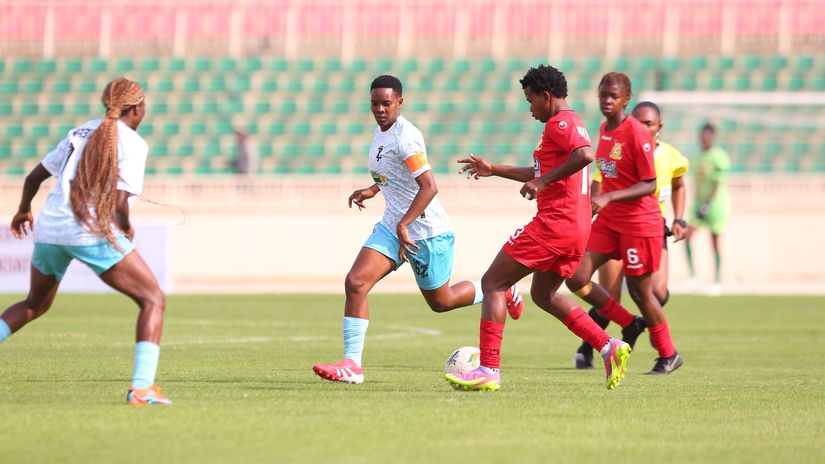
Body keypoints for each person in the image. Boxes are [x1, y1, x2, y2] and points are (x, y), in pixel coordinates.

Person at [312, 75, 523, 384]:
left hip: (425, 231)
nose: (380, 109)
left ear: (400, 102)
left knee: (442, 302)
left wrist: (405, 223)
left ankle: (501, 290)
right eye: (375, 103)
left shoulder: (406, 137)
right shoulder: (380, 133)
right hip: (394, 226)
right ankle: (352, 365)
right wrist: (374, 189)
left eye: (387, 103)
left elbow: (429, 187)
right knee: (356, 282)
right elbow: (396, 175)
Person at [445, 65, 631, 392]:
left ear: (546, 97)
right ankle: (607, 346)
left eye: (531, 101)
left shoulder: (562, 123)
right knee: (543, 295)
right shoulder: (565, 125)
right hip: (575, 229)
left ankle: (488, 368)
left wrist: (542, 181)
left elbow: (585, 155)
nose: (530, 108)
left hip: (554, 225)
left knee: (493, 282)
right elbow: (540, 169)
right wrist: (494, 169)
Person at [0, 77, 171, 405]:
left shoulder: (79, 131)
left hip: (50, 228)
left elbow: (34, 177)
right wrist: (125, 227)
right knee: (153, 299)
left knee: (34, 304)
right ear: (137, 108)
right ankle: (142, 388)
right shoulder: (134, 143)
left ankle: (142, 389)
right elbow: (120, 206)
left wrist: (23, 211)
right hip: (91, 230)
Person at [565, 72, 683, 375]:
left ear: (625, 100)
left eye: (613, 96)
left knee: (641, 292)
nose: (607, 101)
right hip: (610, 220)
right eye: (603, 95)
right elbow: (604, 174)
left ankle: (668, 353)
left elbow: (649, 183)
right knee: (576, 277)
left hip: (639, 223)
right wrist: (593, 201)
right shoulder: (605, 130)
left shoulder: (636, 134)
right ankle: (628, 323)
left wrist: (609, 198)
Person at [685, 123, 730, 296]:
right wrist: (698, 203)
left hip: (716, 205)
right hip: (699, 204)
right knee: (687, 235)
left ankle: (717, 280)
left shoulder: (719, 156)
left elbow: (718, 182)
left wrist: (707, 203)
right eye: (702, 135)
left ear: (712, 137)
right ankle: (694, 276)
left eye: (708, 135)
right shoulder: (698, 157)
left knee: (715, 241)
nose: (704, 139)